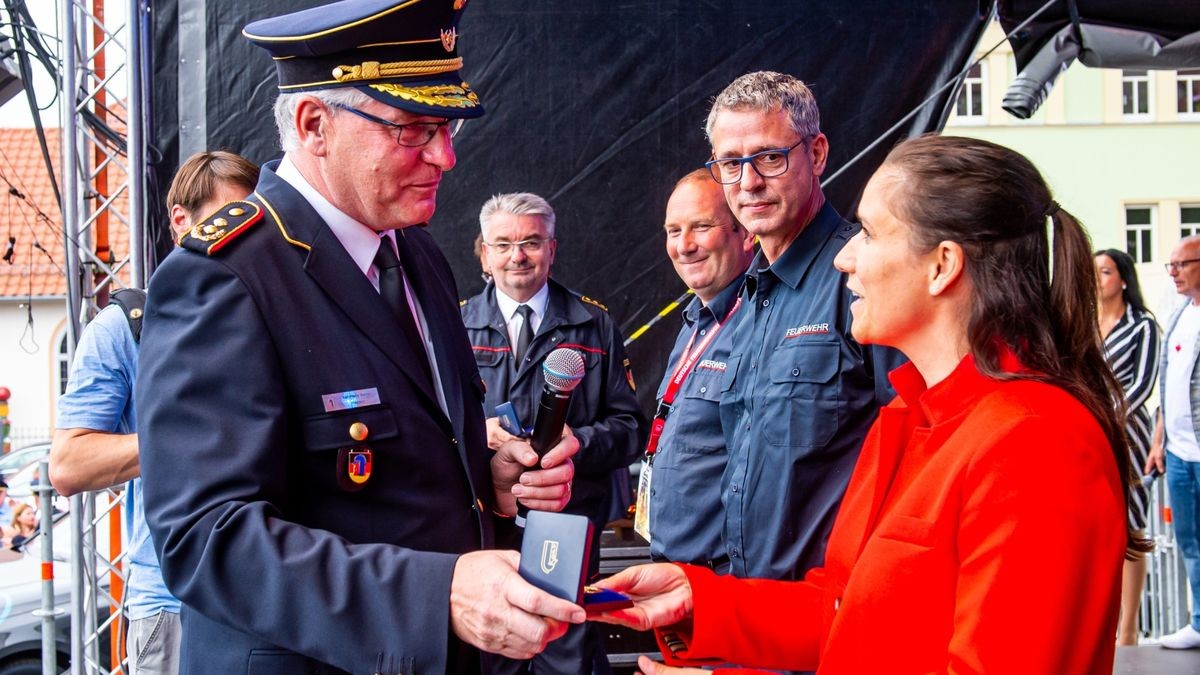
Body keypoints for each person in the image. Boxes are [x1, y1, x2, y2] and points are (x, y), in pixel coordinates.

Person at [136, 2, 584, 673]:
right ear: (315, 126)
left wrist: (491, 478)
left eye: (447, 128)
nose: (446, 155)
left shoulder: (415, 254)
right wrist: (435, 596)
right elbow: (210, 539)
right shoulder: (226, 276)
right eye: (413, 129)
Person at [594, 135, 1145, 674]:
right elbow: (845, 610)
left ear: (942, 265)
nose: (845, 259)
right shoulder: (907, 420)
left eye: (872, 234)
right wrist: (699, 600)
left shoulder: (1034, 441)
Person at [50, 150, 259, 675]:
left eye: (254, 220)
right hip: (172, 603)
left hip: (271, 594)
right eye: (226, 219)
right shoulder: (125, 327)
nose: (245, 238)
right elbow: (69, 465)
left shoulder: (278, 310)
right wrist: (201, 438)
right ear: (181, 222)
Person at [704, 71, 901, 581]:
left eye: (770, 157)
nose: (748, 182)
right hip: (754, 619)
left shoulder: (862, 279)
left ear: (815, 154)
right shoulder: (749, 294)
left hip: (834, 620)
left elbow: (915, 463)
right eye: (730, 163)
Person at [461, 192, 647, 674]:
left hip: (567, 522)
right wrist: (472, 433)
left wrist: (578, 443)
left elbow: (631, 430)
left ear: (552, 248)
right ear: (483, 252)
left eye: (530, 242)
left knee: (564, 650)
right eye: (502, 244)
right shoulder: (454, 325)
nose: (516, 255)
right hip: (484, 525)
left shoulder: (594, 323)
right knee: (492, 653)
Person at [644, 170, 753, 569]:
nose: (684, 246)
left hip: (722, 580)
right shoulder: (695, 320)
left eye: (701, 227)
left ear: (746, 233)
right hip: (675, 568)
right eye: (673, 231)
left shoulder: (757, 324)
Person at [1094, 247, 1160, 646]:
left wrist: (1108, 415)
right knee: (1104, 523)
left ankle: (1130, 628)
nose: (1097, 279)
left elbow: (1143, 383)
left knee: (1132, 523)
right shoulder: (1084, 323)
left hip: (1129, 431)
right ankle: (1105, 622)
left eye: (1104, 272)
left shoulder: (1143, 326)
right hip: (1092, 430)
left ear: (1122, 279)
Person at [1146, 235, 1200, 650]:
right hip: (1181, 452)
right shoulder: (1181, 313)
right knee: (1189, 540)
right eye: (1170, 265)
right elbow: (1169, 383)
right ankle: (1199, 622)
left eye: (1180, 265)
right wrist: (1159, 441)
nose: (1173, 273)